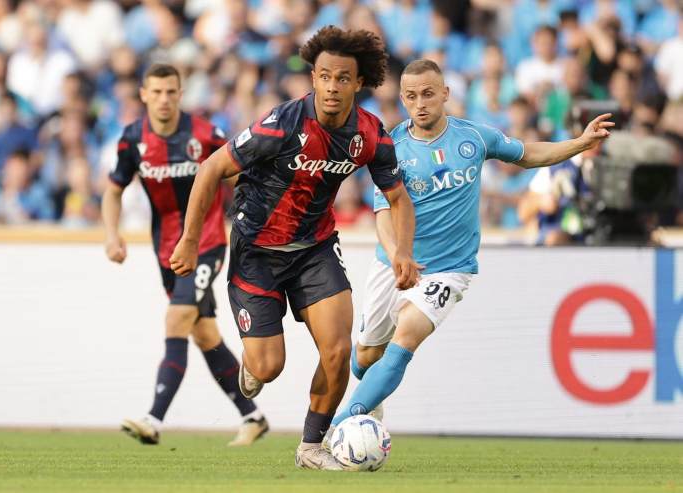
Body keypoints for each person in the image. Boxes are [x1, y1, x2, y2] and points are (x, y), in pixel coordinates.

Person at [169, 26, 419, 470]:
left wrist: (402, 252)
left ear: (359, 83)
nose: (332, 86)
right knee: (269, 367)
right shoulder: (282, 123)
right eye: (324, 76)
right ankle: (254, 365)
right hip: (256, 251)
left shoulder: (370, 134)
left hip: (314, 249)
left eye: (343, 78)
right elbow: (210, 169)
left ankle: (310, 447)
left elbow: (397, 198)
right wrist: (189, 240)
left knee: (338, 351)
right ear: (313, 78)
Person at [326, 58, 613, 431]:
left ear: (445, 93)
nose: (420, 104)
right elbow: (384, 213)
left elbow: (528, 155)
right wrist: (398, 255)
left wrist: (580, 143)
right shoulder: (392, 146)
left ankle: (338, 426)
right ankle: (368, 401)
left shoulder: (474, 137)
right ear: (403, 99)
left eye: (428, 94)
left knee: (405, 338)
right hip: (393, 262)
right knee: (366, 355)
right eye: (411, 96)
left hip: (449, 269)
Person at [102, 63, 268, 447]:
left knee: (176, 319)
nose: (164, 99)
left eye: (170, 92)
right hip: (165, 249)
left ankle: (153, 419)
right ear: (144, 95)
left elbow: (242, 175)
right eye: (156, 92)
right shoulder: (132, 139)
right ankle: (252, 416)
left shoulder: (205, 134)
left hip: (206, 243)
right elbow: (113, 190)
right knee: (205, 333)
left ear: (180, 94)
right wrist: (112, 235)